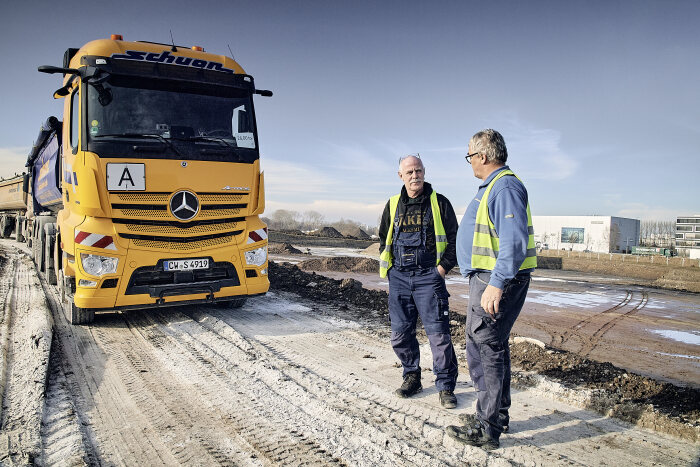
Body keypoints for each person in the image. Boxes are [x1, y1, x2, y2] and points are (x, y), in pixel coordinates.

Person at [446, 129, 536, 450]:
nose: (469, 161)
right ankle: (495, 414)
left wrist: (496, 284)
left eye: (470, 156)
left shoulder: (505, 187)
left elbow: (513, 241)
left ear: (483, 156)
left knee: (485, 348)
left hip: (493, 278)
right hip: (486, 277)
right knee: (488, 345)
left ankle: (488, 427)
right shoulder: (493, 187)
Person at [378, 154, 460, 408]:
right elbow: (384, 240)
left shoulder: (440, 203)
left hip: (429, 278)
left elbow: (456, 241)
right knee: (400, 334)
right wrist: (392, 271)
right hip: (399, 278)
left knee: (439, 336)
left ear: (425, 172)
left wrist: (441, 269)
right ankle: (411, 376)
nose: (415, 176)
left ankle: (446, 387)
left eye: (419, 171)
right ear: (400, 176)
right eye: (410, 172)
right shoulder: (392, 205)